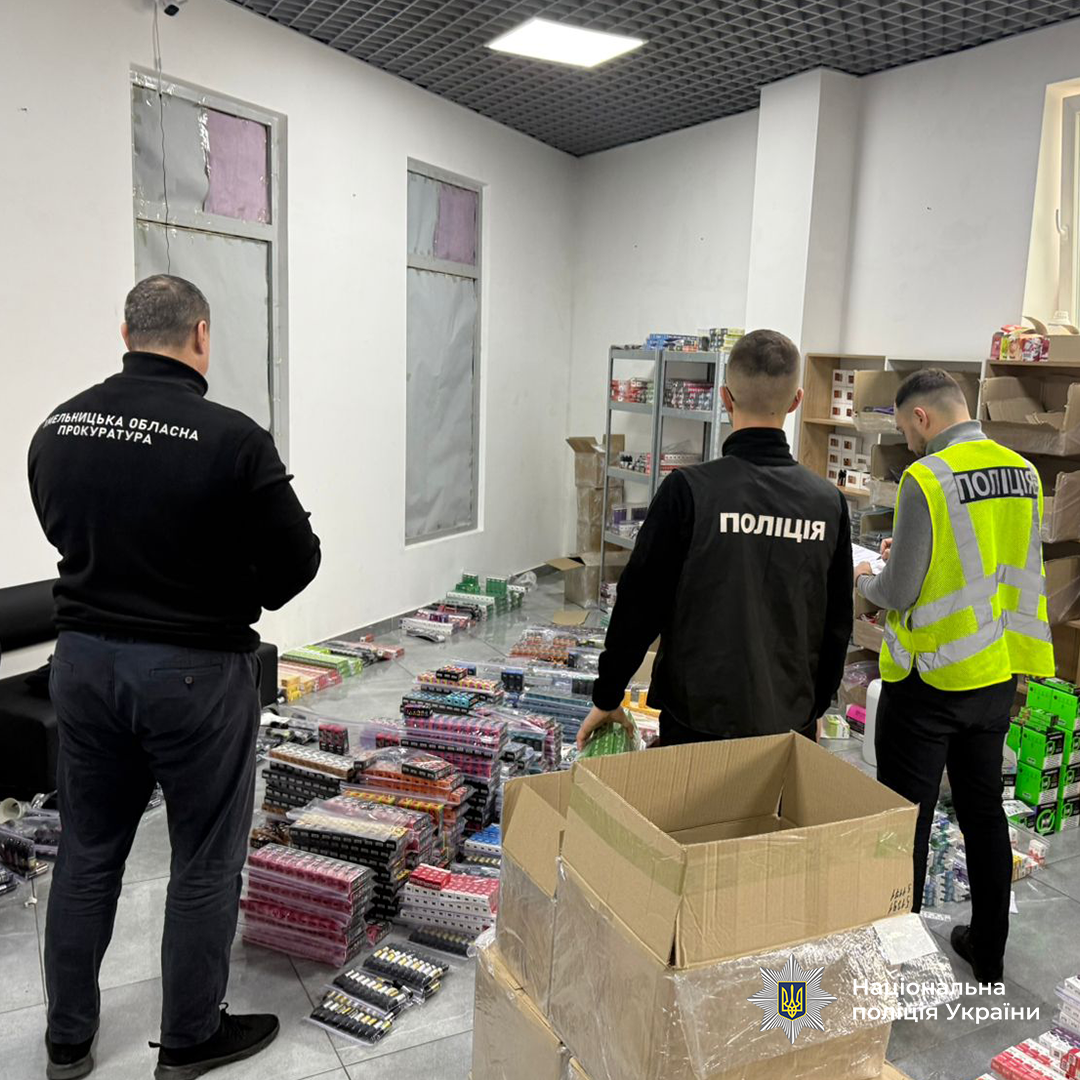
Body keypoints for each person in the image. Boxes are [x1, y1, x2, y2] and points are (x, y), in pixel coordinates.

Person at [28, 275, 322, 1080]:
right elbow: (297, 563)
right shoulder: (234, 439)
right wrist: (230, 585)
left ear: (125, 334)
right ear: (201, 336)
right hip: (194, 674)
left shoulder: (59, 425)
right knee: (204, 857)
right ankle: (190, 1040)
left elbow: (60, 529)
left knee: (88, 850)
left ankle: (66, 1042)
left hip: (83, 663)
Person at [854, 369, 1053, 986]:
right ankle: (988, 954)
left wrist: (866, 581)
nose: (907, 443)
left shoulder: (928, 477)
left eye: (905, 429)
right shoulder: (1023, 472)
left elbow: (900, 591)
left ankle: (896, 960)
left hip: (929, 678)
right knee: (982, 811)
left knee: (904, 821)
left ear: (922, 417)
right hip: (995, 672)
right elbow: (984, 559)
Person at [577, 329, 853, 751]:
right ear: (796, 402)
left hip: (696, 720)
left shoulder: (689, 491)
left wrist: (608, 694)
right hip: (786, 720)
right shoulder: (827, 503)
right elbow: (836, 625)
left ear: (725, 398)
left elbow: (639, 604)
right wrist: (814, 708)